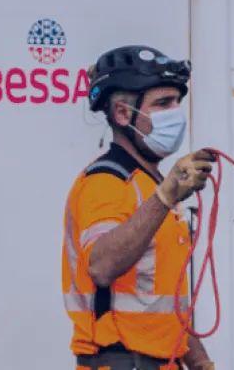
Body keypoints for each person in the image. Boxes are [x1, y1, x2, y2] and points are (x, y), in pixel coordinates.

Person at [62, 46, 217, 370]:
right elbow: (101, 266)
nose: (175, 112)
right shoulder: (106, 181)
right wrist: (164, 198)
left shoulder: (151, 185)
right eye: (162, 103)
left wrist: (200, 362)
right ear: (122, 114)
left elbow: (163, 305)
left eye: (177, 102)